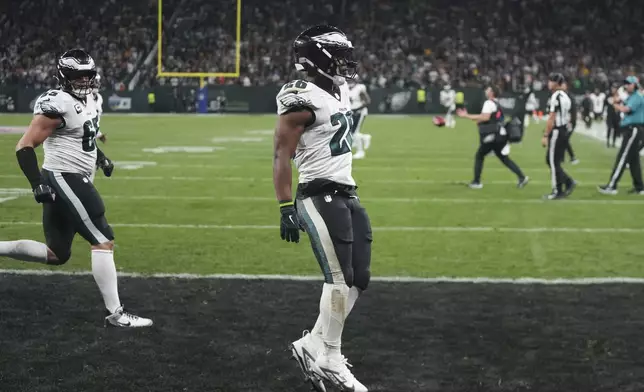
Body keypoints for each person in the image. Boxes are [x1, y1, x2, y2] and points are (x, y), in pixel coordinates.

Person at [0, 49, 152, 328]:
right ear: (63, 77)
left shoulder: (93, 98)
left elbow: (87, 136)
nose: (85, 81)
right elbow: (24, 146)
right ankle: (116, 313)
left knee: (57, 254)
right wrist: (37, 184)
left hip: (75, 175)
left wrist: (101, 158)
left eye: (88, 75)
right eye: (78, 76)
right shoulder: (57, 102)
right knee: (103, 238)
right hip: (63, 176)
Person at [273, 25, 370, 392]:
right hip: (317, 193)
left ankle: (313, 343)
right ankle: (329, 356)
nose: (347, 64)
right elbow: (281, 154)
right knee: (340, 278)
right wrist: (285, 206)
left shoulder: (337, 88)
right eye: (340, 57)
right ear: (320, 58)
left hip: (346, 190)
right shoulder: (301, 96)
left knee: (359, 277)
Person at [456, 85, 529, 189]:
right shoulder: (497, 103)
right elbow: (493, 118)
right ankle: (522, 177)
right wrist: (477, 120)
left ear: (492, 93)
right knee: (503, 158)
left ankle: (476, 182)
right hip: (500, 135)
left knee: (479, 155)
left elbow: (485, 117)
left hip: (492, 135)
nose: (486, 90)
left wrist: (466, 116)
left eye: (488, 89)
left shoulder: (488, 103)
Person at [598, 76, 644, 195]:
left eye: (629, 84)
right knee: (633, 160)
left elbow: (626, 109)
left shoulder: (637, 97)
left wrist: (614, 104)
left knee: (622, 157)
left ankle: (612, 185)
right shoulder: (632, 97)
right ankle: (640, 187)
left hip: (633, 129)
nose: (627, 85)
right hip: (632, 129)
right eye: (626, 83)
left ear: (635, 85)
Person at [542, 73, 576, 199]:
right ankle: (567, 182)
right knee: (553, 161)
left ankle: (558, 190)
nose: (548, 83)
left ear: (556, 82)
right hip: (563, 130)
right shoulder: (565, 96)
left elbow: (552, 117)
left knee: (552, 160)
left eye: (550, 81)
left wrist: (546, 134)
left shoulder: (556, 96)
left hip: (556, 131)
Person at [348, 77, 372, 160]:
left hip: (360, 112)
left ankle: (361, 152)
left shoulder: (359, 88)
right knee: (351, 132)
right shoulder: (345, 88)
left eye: (351, 80)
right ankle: (364, 137)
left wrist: (357, 109)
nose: (349, 81)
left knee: (354, 132)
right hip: (352, 112)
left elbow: (367, 101)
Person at [562, 82, 579, 164]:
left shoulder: (570, 97)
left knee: (564, 139)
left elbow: (574, 111)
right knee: (562, 139)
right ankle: (563, 158)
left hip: (570, 122)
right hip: (562, 122)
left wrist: (571, 122)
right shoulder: (560, 96)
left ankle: (572, 157)